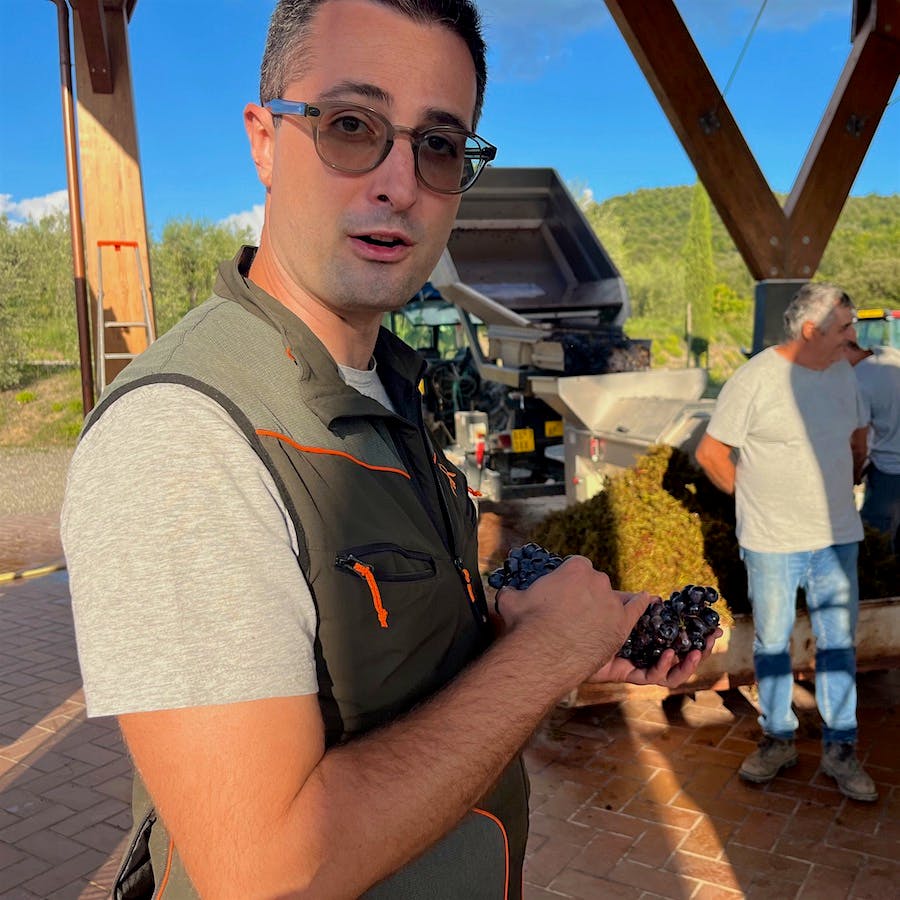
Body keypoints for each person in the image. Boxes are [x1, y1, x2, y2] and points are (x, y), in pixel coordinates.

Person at [61, 2, 717, 897]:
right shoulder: (184, 434)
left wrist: (529, 637)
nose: (399, 183)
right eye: (349, 127)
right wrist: (542, 659)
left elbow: (382, 655)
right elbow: (266, 872)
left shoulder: (389, 393)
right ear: (264, 139)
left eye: (439, 145)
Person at [696, 282, 877, 803]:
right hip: (773, 543)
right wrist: (752, 501)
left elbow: (858, 437)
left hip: (837, 539)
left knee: (839, 646)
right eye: (844, 327)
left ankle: (841, 748)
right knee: (773, 644)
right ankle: (779, 738)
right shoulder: (756, 378)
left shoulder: (844, 376)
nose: (853, 335)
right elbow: (712, 453)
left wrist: (851, 474)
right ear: (810, 331)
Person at [844, 338, 900, 554]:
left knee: (874, 542)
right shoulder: (889, 354)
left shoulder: (858, 381)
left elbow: (858, 447)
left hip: (890, 472)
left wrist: (854, 477)